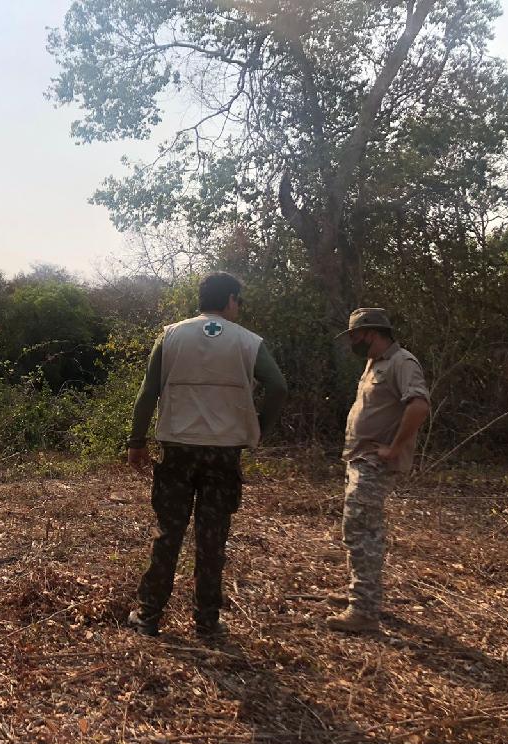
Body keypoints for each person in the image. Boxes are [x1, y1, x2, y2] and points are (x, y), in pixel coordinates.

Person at [125, 272, 288, 638]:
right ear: (230, 300)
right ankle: (207, 621)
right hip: (223, 454)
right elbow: (278, 386)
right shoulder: (248, 341)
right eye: (238, 301)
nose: (239, 307)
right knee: (212, 537)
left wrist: (136, 441)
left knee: (168, 532)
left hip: (178, 450)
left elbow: (148, 392)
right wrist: (259, 426)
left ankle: (149, 616)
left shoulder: (170, 336)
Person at [328, 308, 430, 633]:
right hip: (360, 460)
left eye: (356, 336)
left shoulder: (402, 362)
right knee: (359, 530)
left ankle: (364, 612)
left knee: (361, 533)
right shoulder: (374, 363)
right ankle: (361, 598)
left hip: (375, 463)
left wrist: (395, 448)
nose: (353, 342)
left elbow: (419, 405)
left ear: (371, 332)